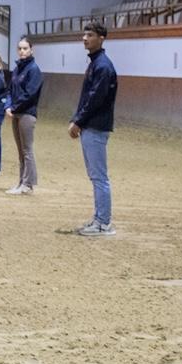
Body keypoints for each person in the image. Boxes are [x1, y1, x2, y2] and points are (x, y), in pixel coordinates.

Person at [69, 23, 119, 235]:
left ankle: (104, 222)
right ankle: (99, 218)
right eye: (84, 34)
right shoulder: (97, 63)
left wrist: (78, 121)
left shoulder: (103, 66)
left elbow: (94, 99)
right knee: (96, 175)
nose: (84, 38)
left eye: (89, 34)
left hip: (95, 126)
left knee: (99, 176)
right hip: (92, 125)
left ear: (101, 38)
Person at [5, 36, 43, 196]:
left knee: (27, 150)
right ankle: (21, 182)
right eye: (20, 48)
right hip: (16, 112)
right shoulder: (17, 69)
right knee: (21, 151)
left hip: (27, 114)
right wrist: (8, 105)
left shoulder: (34, 70)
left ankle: (28, 184)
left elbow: (30, 94)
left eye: (25, 48)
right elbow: (10, 90)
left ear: (31, 50)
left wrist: (14, 107)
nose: (22, 51)